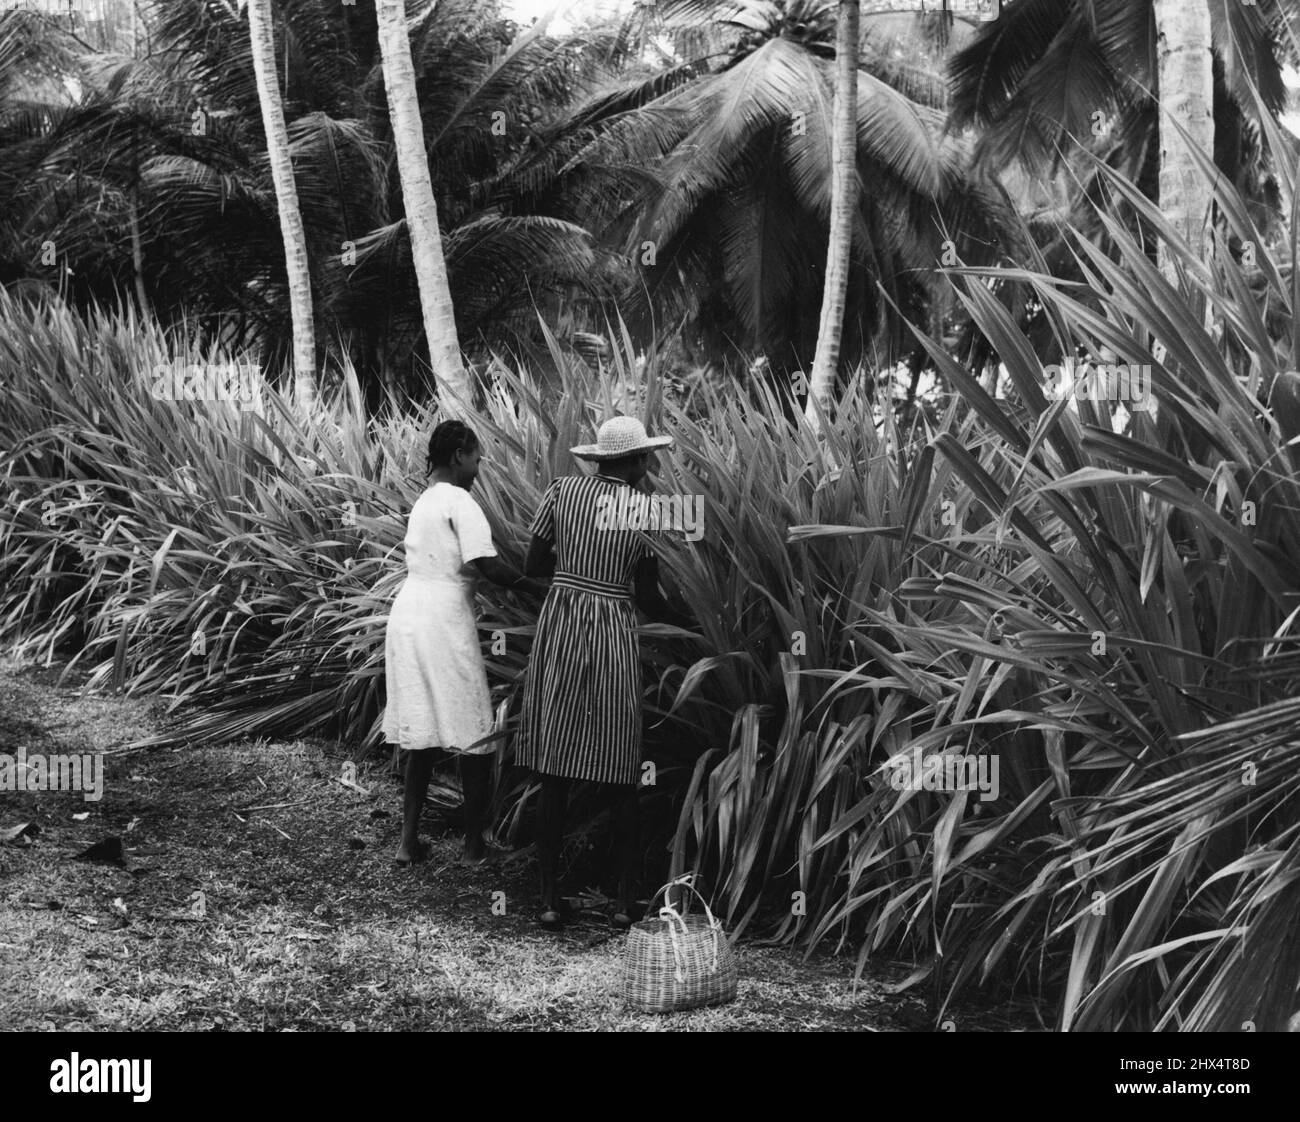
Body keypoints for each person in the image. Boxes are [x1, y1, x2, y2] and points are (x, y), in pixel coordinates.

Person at [517, 416, 694, 931]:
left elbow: (532, 564)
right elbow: (647, 597)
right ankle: (622, 903)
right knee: (620, 762)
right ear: (637, 461)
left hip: (562, 625)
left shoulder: (562, 490)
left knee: (554, 763)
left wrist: (574, 581)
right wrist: (696, 623)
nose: (651, 465)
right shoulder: (644, 511)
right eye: (648, 458)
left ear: (599, 458)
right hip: (614, 629)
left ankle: (550, 900)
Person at [382, 420, 548, 866]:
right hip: (442, 619)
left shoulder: (424, 501)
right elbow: (488, 567)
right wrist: (543, 588)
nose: (479, 466)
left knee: (423, 733)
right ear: (458, 455)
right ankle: (475, 848)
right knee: (476, 731)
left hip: (408, 615)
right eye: (476, 457)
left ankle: (407, 843)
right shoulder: (461, 500)